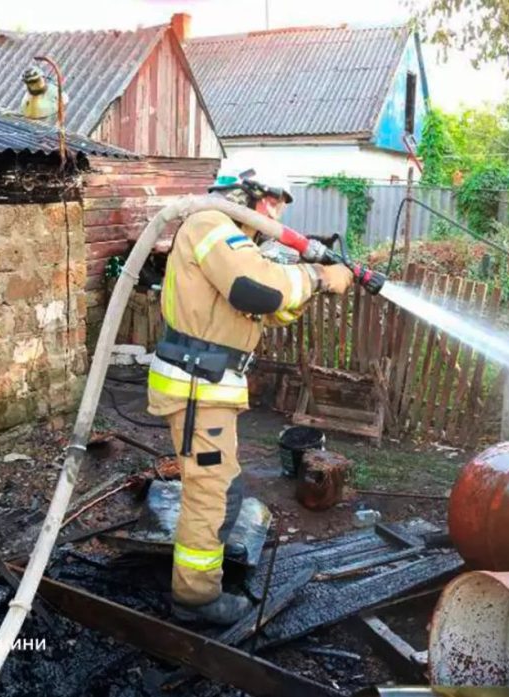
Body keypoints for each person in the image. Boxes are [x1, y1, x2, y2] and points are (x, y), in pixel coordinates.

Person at [147, 164, 353, 624]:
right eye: (275, 201)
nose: (277, 214)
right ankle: (195, 600)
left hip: (211, 387)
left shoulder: (233, 242)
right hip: (198, 386)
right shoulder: (210, 224)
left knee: (223, 489)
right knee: (210, 494)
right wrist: (317, 278)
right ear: (250, 196)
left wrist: (312, 283)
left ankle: (203, 577)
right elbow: (256, 290)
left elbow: (267, 307)